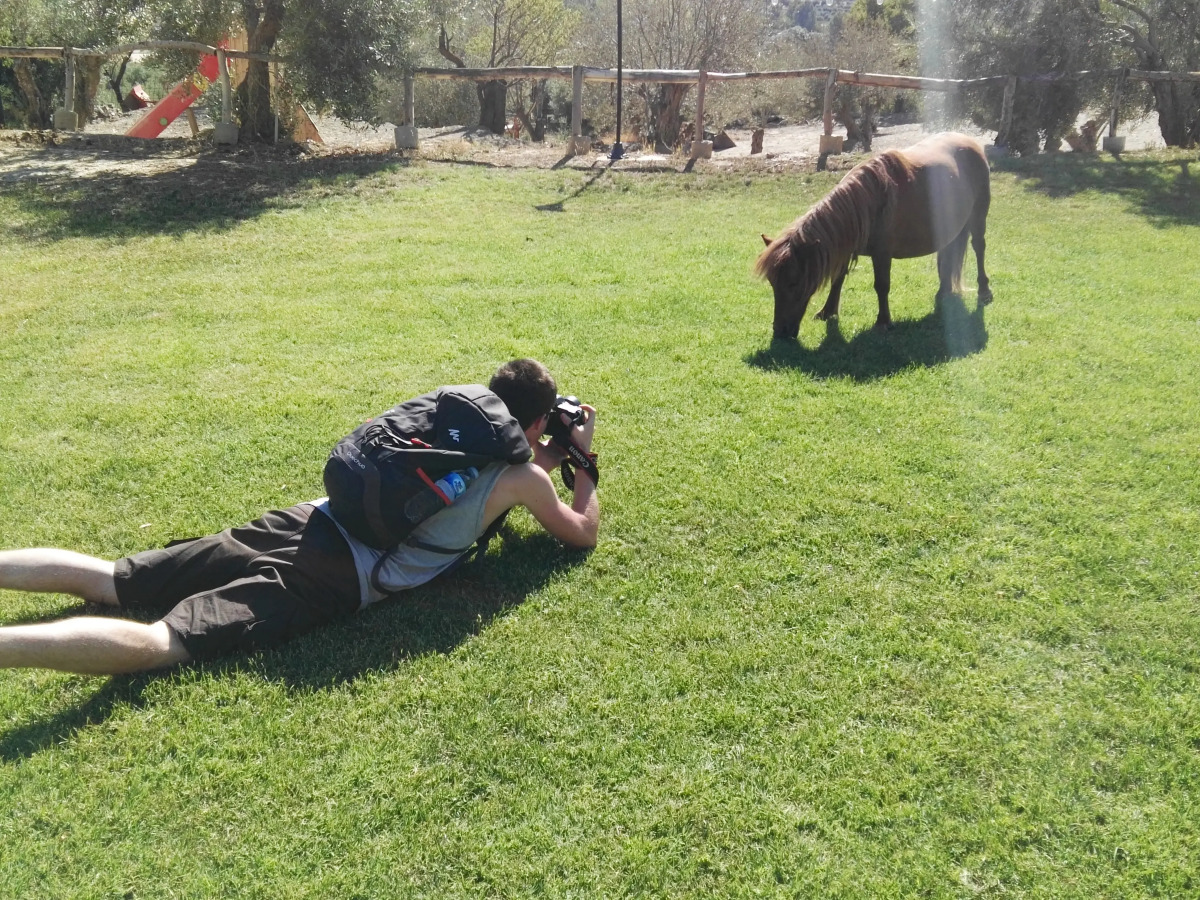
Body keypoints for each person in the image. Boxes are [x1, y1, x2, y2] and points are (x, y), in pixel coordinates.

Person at [0, 359, 597, 675]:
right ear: (536, 423)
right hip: (339, 575)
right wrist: (585, 465)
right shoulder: (524, 480)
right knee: (165, 640)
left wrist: (548, 448)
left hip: (311, 518)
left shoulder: (453, 418)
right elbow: (581, 534)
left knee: (115, 578)